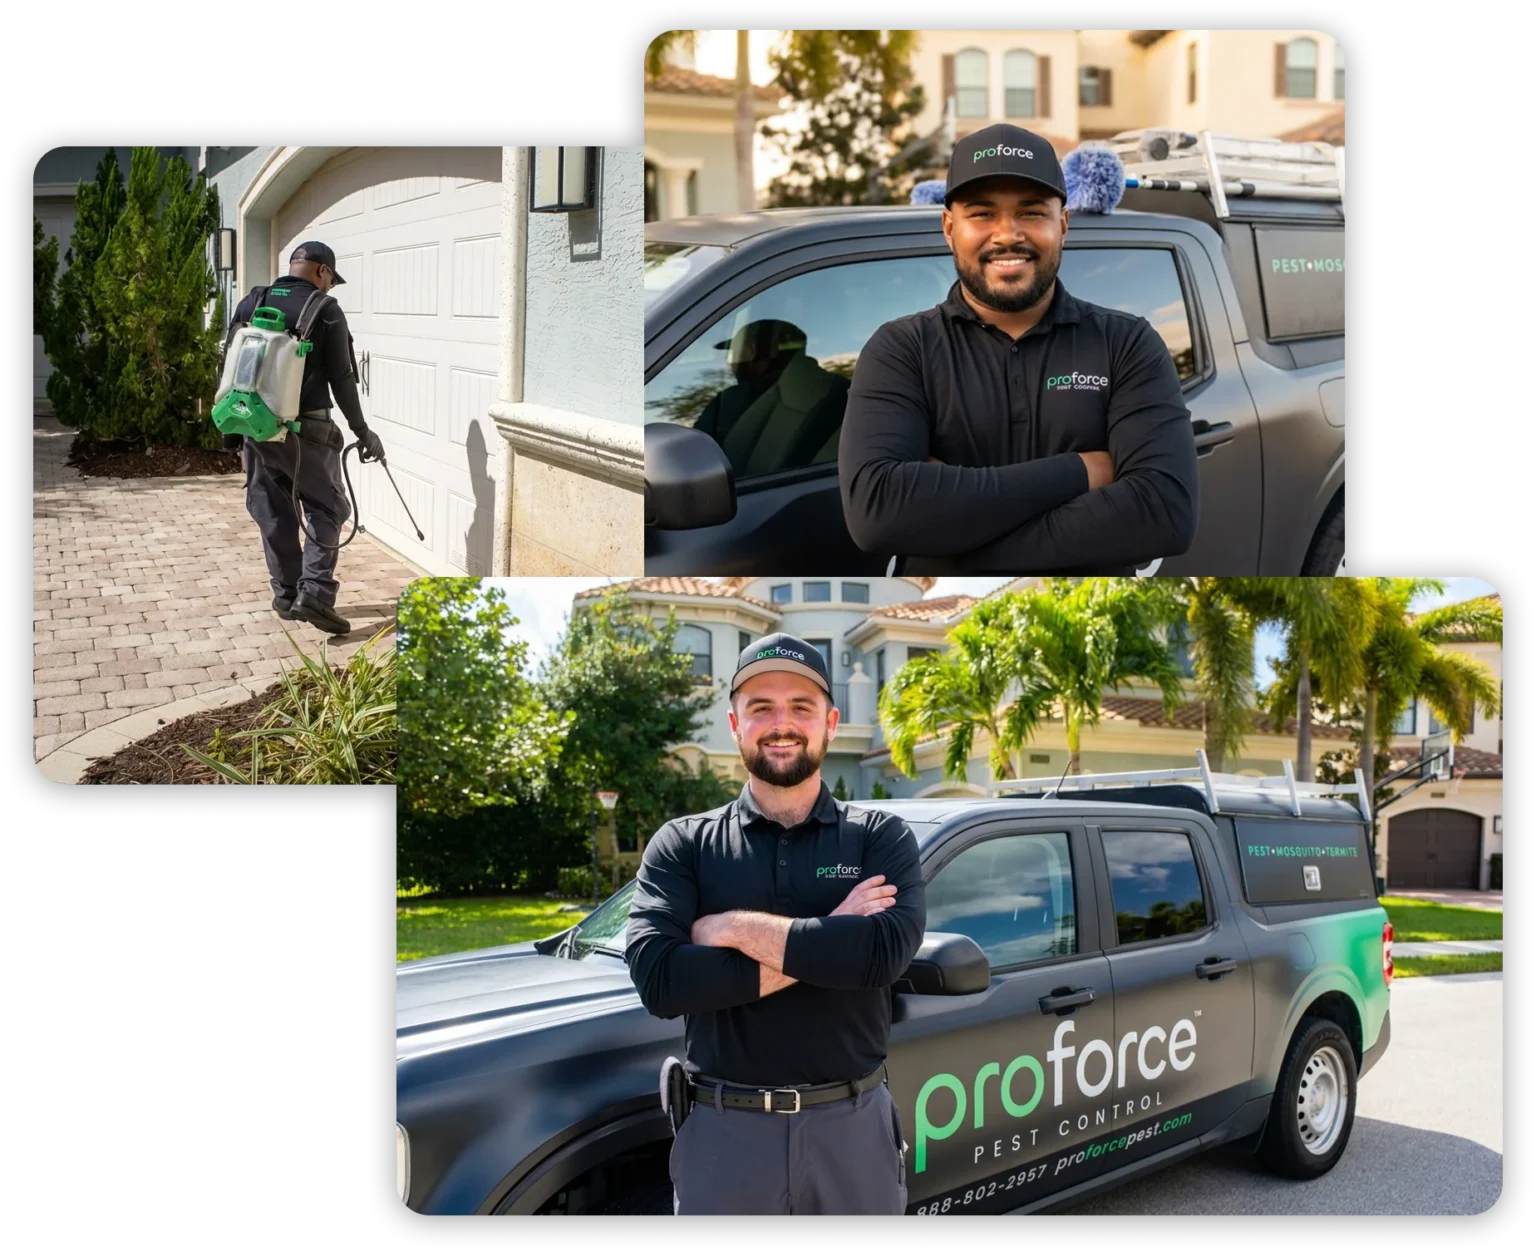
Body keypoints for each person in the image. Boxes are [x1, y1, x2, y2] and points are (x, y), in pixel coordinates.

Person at [625, 633, 927, 1216]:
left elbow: (880, 957)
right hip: (723, 1133)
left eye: (801, 707)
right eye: (761, 707)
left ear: (831, 723)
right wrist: (831, 933)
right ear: (735, 724)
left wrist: (727, 926)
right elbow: (661, 982)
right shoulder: (683, 844)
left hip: (852, 1129)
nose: (781, 723)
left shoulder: (879, 837)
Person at [837, 124, 1200, 575]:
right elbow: (878, 512)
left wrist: (952, 547)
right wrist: (1082, 472)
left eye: (1031, 212)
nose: (1007, 234)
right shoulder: (901, 349)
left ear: (1062, 224)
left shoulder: (1125, 342)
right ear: (949, 228)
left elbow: (1164, 512)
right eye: (982, 214)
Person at [224, 242, 387, 635]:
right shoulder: (324, 310)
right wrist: (363, 432)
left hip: (255, 426)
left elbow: (229, 364)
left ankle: (285, 592)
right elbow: (343, 378)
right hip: (307, 430)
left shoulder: (253, 300)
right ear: (320, 271)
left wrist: (233, 435)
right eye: (331, 278)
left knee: (270, 507)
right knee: (327, 507)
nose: (331, 287)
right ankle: (314, 592)